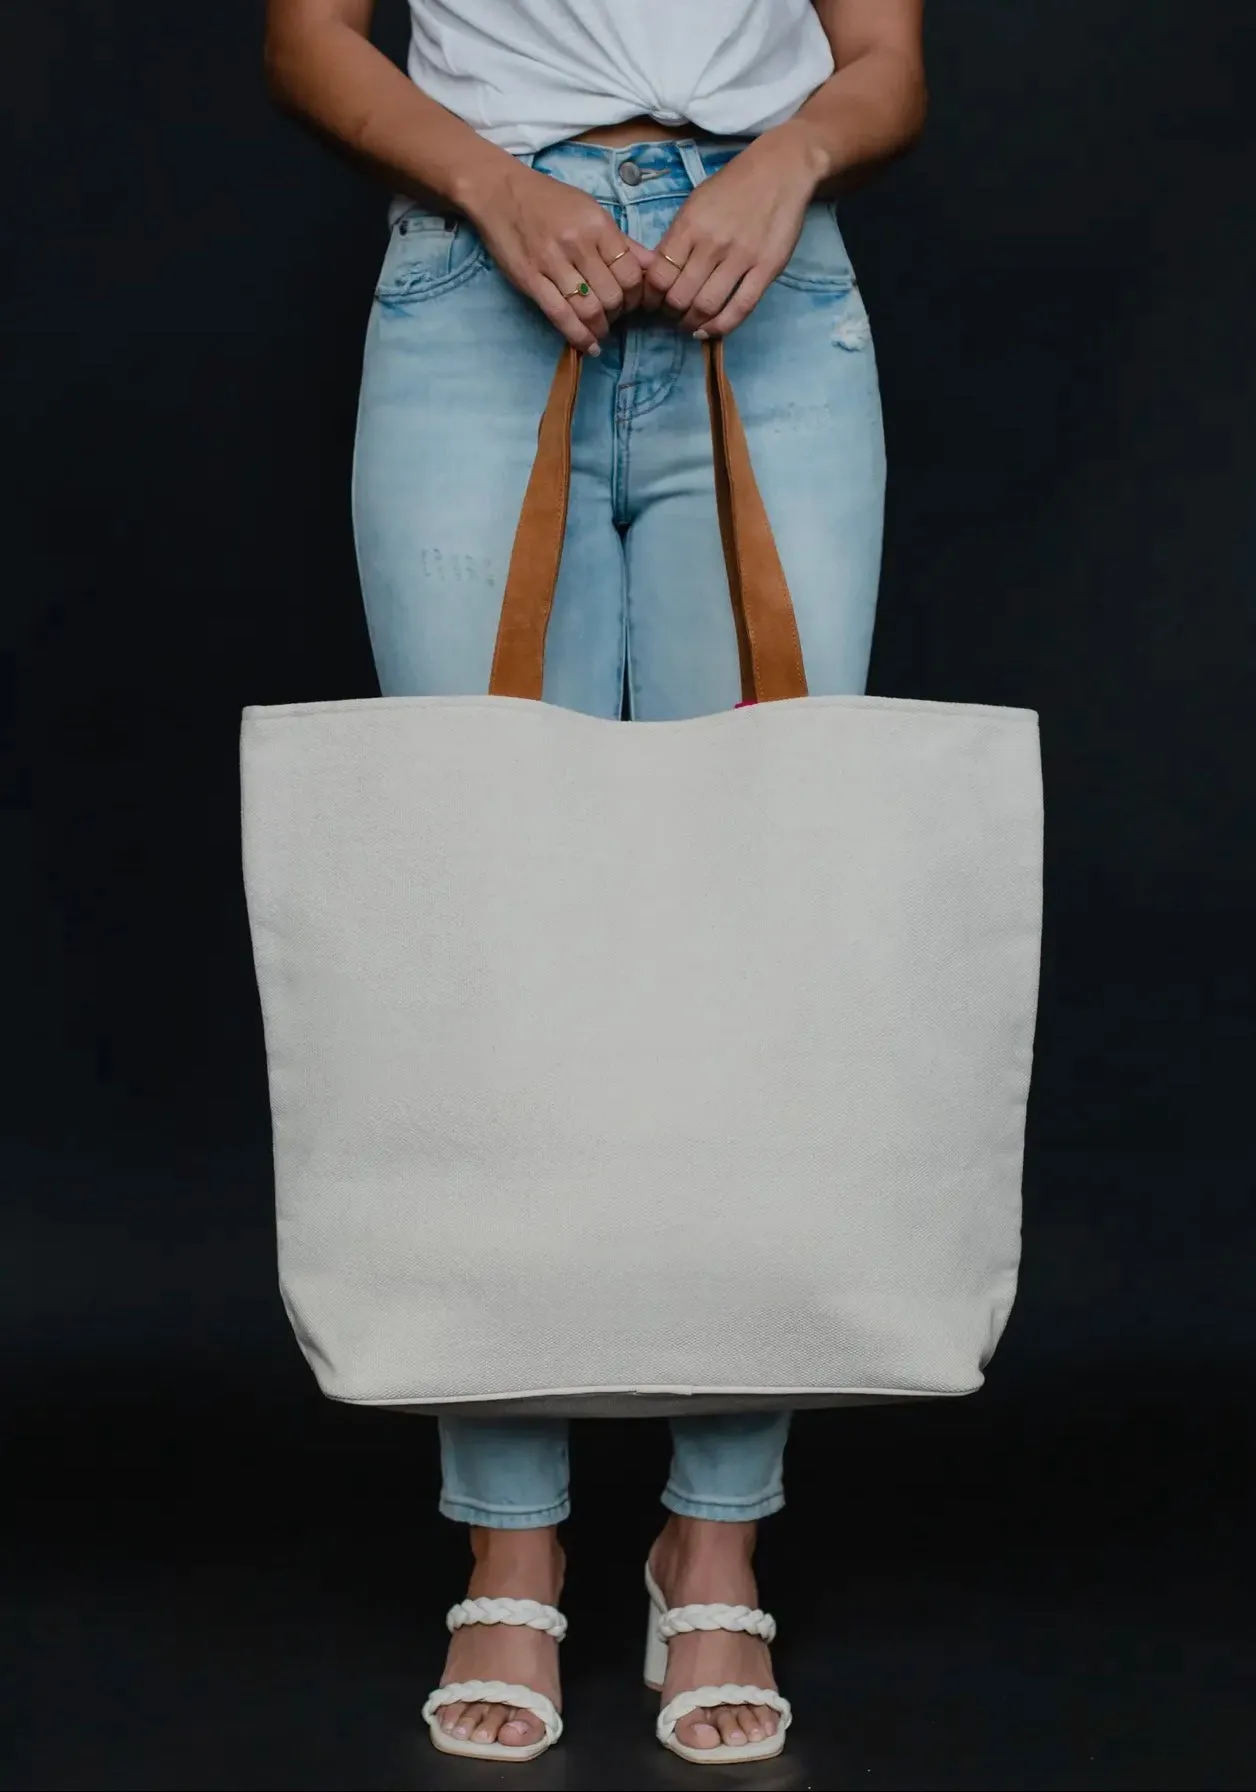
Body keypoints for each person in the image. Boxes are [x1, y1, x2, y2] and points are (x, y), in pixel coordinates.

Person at [263, 0, 925, 1765]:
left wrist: (782, 163)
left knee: (755, 932)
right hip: (477, 283)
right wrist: (492, 185)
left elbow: (886, 64)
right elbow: (312, 37)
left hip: (769, 291)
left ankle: (715, 1531)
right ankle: (507, 1541)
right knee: (479, 931)